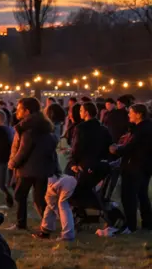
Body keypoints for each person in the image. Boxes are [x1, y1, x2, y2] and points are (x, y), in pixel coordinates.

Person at [9, 97, 58, 231]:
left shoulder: (29, 128)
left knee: (20, 195)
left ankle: (22, 224)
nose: (16, 111)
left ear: (27, 111)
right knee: (39, 198)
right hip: (43, 168)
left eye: (19, 109)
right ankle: (48, 223)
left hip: (29, 169)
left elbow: (24, 150)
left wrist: (13, 163)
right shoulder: (44, 125)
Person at [67, 102, 115, 236]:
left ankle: (101, 213)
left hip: (85, 165)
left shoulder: (81, 128)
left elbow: (77, 147)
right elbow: (109, 147)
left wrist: (73, 162)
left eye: (81, 110)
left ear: (87, 112)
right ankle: (90, 214)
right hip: (99, 165)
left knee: (76, 191)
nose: (80, 112)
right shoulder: (103, 128)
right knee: (86, 190)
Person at [109, 103, 152, 233]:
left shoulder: (141, 129)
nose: (128, 114)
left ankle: (130, 225)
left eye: (131, 112)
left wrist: (116, 150)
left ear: (139, 114)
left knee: (129, 196)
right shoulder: (147, 127)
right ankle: (147, 223)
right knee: (142, 194)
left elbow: (132, 147)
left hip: (135, 166)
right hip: (146, 166)